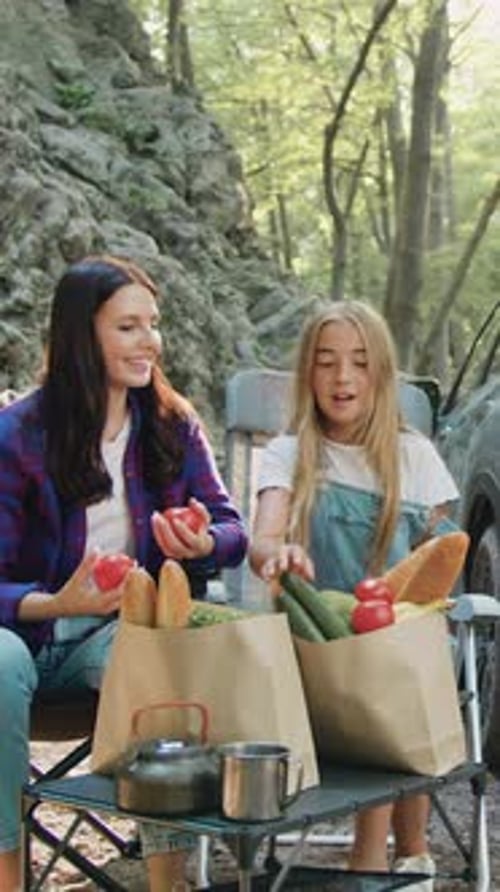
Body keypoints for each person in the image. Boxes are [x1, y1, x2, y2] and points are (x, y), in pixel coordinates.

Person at [0, 254, 247, 892]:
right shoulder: (16, 434)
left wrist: (199, 542)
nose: (149, 343)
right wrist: (57, 602)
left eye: (153, 325)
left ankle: (167, 879)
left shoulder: (171, 425)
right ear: (83, 334)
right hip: (23, 633)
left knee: (155, 656)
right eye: (128, 327)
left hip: (117, 633)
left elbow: (232, 530)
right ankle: (7, 873)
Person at [249, 300, 460, 892]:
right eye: (326, 363)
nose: (342, 378)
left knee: (402, 660)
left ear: (382, 376)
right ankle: (375, 861)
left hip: (396, 646)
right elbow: (262, 538)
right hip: (313, 651)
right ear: (307, 375)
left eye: (360, 364)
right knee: (381, 674)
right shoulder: (289, 455)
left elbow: (437, 564)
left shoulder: (413, 457)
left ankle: (409, 855)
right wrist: (277, 553)